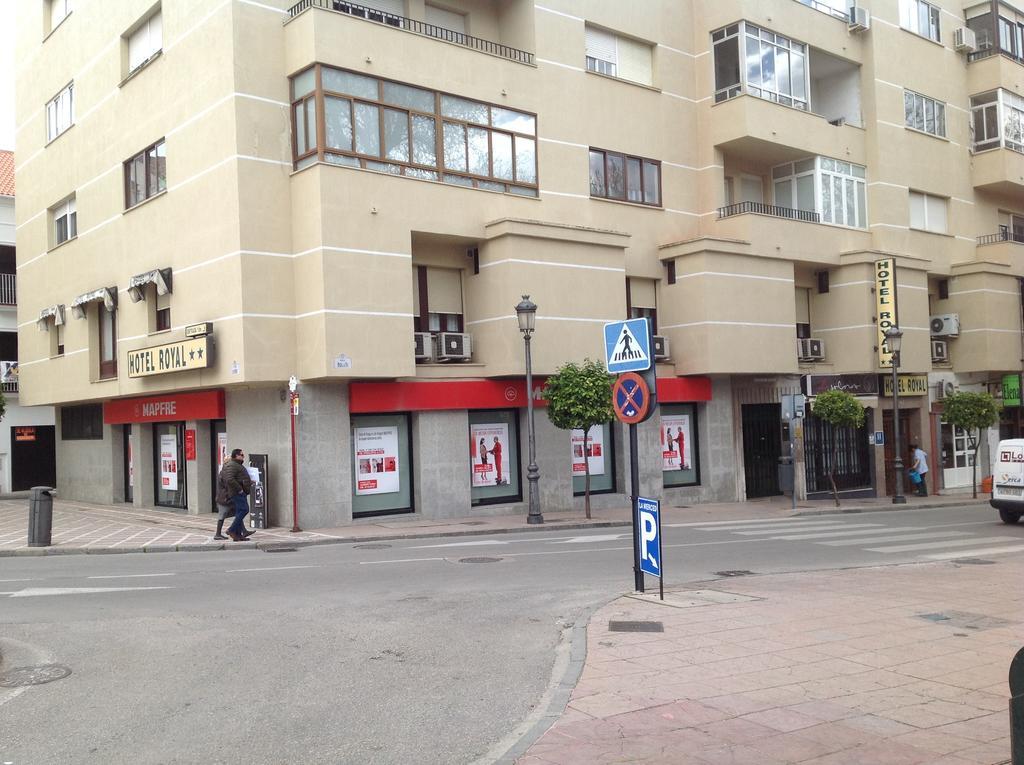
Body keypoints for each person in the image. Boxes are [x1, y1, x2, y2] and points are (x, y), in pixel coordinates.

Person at [218, 448, 254, 541]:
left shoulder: (237, 465)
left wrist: (249, 482)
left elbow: (239, 478)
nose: (243, 457)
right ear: (236, 456)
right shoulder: (233, 465)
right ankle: (231, 529)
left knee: (239, 511)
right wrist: (240, 489)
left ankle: (237, 535)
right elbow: (230, 479)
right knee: (244, 509)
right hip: (237, 493)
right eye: (242, 455)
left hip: (240, 492)